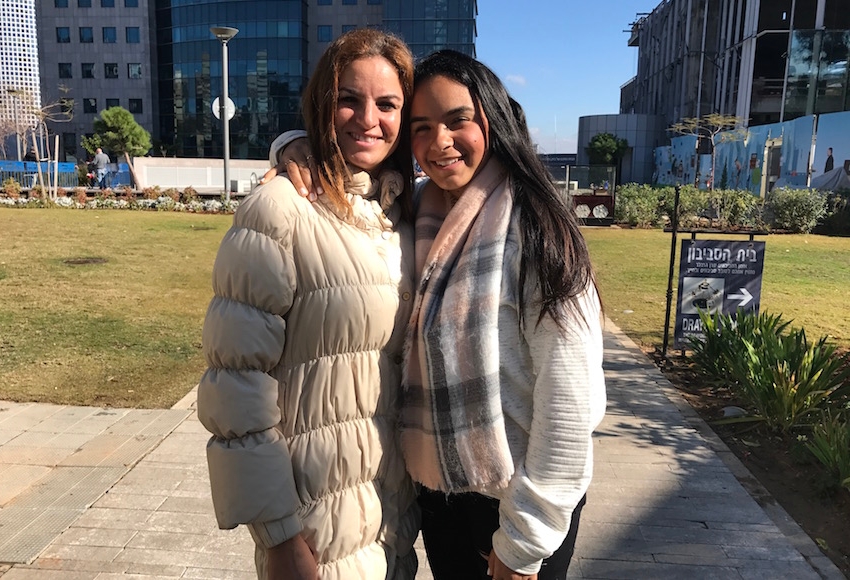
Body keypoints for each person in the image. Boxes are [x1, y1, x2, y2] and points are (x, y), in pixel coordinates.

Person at [269, 49, 607, 580]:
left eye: (458, 121)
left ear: (491, 120)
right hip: (439, 495)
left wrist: (525, 539)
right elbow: (353, 179)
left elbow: (571, 402)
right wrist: (298, 147)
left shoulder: (537, 228)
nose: (439, 143)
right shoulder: (422, 212)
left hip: (518, 500)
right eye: (421, 127)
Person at [197, 28, 419, 580]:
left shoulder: (400, 216)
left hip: (393, 525)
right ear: (323, 102)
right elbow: (236, 392)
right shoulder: (279, 210)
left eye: (387, 103)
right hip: (317, 536)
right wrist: (278, 537)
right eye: (349, 99)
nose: (368, 118)